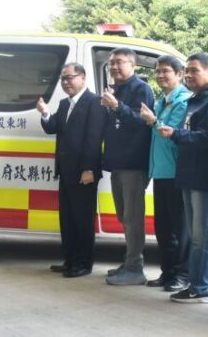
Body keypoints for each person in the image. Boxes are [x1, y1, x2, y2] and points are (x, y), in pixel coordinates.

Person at [166, 53, 208, 303]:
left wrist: (176, 135)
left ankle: (202, 287)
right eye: (187, 71)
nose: (189, 75)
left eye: (195, 70)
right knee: (197, 234)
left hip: (203, 177)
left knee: (203, 235)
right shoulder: (197, 99)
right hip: (189, 175)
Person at [38, 62, 105, 278]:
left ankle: (83, 263)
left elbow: (93, 139)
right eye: (63, 78)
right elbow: (52, 128)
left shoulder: (95, 102)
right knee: (67, 219)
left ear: (82, 78)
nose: (66, 82)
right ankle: (70, 260)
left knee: (82, 220)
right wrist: (45, 113)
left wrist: (89, 169)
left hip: (84, 173)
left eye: (70, 77)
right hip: (65, 171)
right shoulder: (64, 103)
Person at [101, 47, 155, 286]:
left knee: (133, 217)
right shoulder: (115, 89)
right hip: (118, 164)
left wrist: (116, 106)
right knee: (124, 215)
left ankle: (135, 268)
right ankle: (129, 261)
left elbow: (142, 123)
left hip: (134, 164)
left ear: (133, 65)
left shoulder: (141, 88)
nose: (114, 67)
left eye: (120, 62)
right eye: (112, 63)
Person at [139, 55, 192, 292]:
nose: (160, 75)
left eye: (166, 71)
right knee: (163, 228)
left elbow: (172, 135)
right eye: (158, 71)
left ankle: (182, 274)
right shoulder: (162, 100)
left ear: (179, 74)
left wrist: (152, 121)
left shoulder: (184, 101)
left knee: (180, 229)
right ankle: (168, 272)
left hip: (176, 172)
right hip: (161, 172)